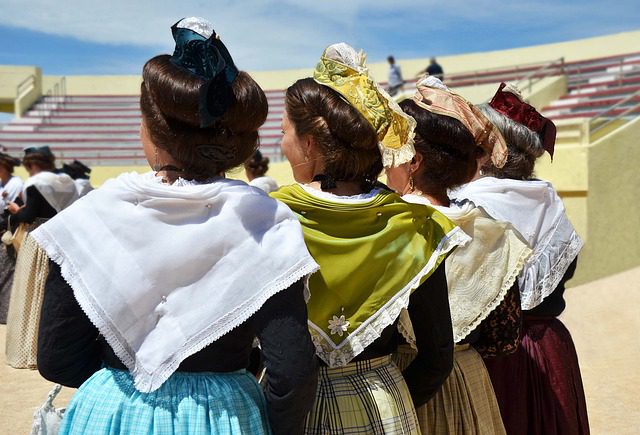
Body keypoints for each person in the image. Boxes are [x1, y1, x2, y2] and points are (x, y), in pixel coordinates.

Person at [32, 17, 319, 435]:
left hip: (113, 408)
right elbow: (291, 374)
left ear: (152, 130)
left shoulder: (92, 216)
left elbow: (58, 358)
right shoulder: (266, 220)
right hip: (224, 413)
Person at [272, 43, 469, 435]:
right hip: (383, 400)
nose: (282, 144)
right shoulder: (415, 224)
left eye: (284, 133)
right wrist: (395, 402)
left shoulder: (274, 218)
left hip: (295, 411)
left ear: (310, 145)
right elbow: (437, 357)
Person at [385, 77, 531, 434]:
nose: (385, 164)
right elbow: (505, 339)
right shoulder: (490, 231)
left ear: (414, 161)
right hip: (468, 381)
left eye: (391, 153)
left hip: (400, 389)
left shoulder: (389, 228)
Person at [451, 82, 589, 435]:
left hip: (496, 360)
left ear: (488, 147)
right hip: (550, 348)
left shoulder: (466, 205)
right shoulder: (549, 201)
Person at [4, 146, 78, 368]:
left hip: (38, 238)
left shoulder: (37, 183)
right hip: (63, 235)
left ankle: (30, 348)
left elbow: (30, 214)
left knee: (32, 289)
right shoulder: (66, 181)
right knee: (53, 291)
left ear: (32, 164)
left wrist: (16, 212)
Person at [0, 151, 23, 324]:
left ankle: (5, 315)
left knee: (7, 275)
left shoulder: (15, 183)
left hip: (6, 232)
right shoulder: (2, 183)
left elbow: (10, 209)